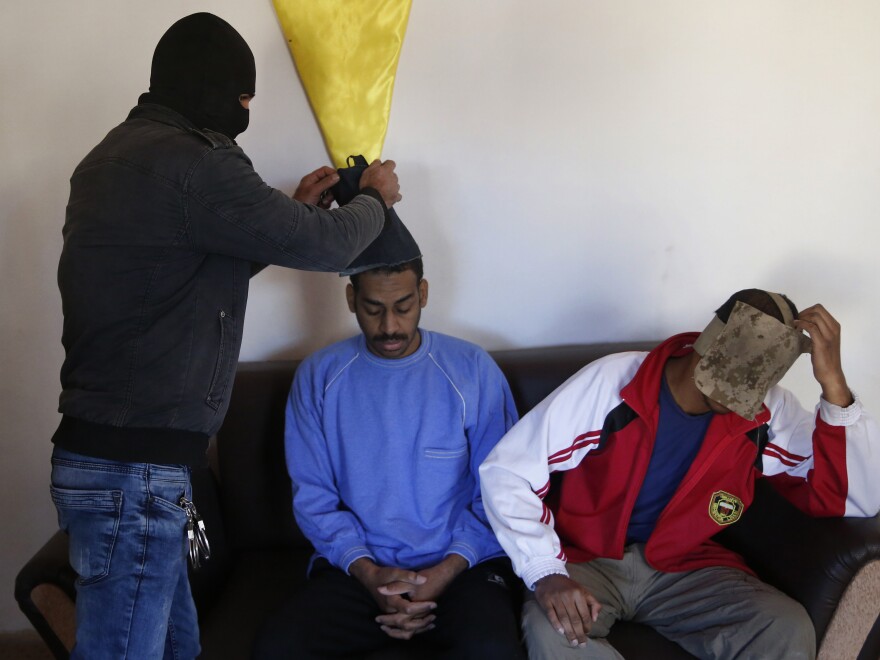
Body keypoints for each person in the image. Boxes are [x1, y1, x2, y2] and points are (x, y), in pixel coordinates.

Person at [49, 12, 401, 660]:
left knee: (179, 648)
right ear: (212, 88)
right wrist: (375, 199)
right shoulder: (193, 164)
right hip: (136, 471)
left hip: (117, 460)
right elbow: (327, 247)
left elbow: (189, 268)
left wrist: (288, 211)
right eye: (243, 98)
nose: (245, 111)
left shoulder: (112, 156)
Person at [479, 289, 880, 660]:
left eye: (752, 385)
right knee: (555, 629)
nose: (736, 396)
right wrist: (546, 571)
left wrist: (835, 387)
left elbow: (853, 498)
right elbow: (508, 471)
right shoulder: (612, 384)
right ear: (708, 343)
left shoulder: (764, 413)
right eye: (730, 374)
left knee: (784, 625)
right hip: (586, 560)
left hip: (684, 567)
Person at [254, 243, 525, 658]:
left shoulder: (472, 368)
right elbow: (313, 498)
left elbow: (500, 490)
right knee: (277, 649)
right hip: (357, 568)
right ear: (351, 299)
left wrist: (446, 569)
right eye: (373, 308)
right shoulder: (320, 376)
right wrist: (368, 573)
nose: (390, 327)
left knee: (492, 650)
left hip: (460, 567)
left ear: (424, 294)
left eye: (404, 305)